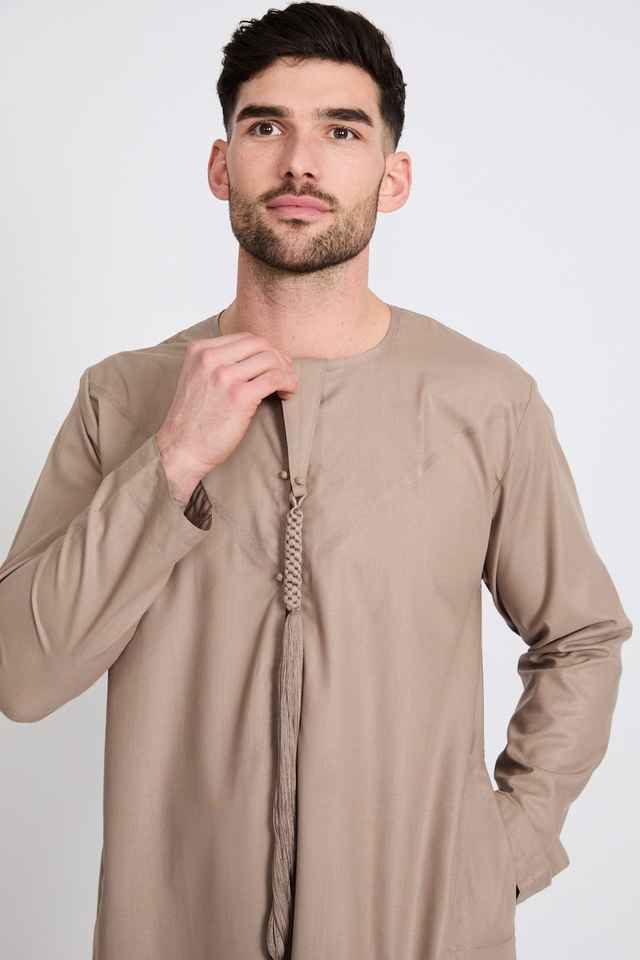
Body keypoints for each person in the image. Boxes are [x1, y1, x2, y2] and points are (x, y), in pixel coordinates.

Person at [0, 4, 633, 959]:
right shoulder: (122, 397)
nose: (301, 163)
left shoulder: (486, 401)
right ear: (222, 167)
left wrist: (506, 844)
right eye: (267, 127)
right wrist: (174, 457)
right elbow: (21, 674)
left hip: (419, 930)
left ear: (392, 176)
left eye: (342, 131)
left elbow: (581, 637)